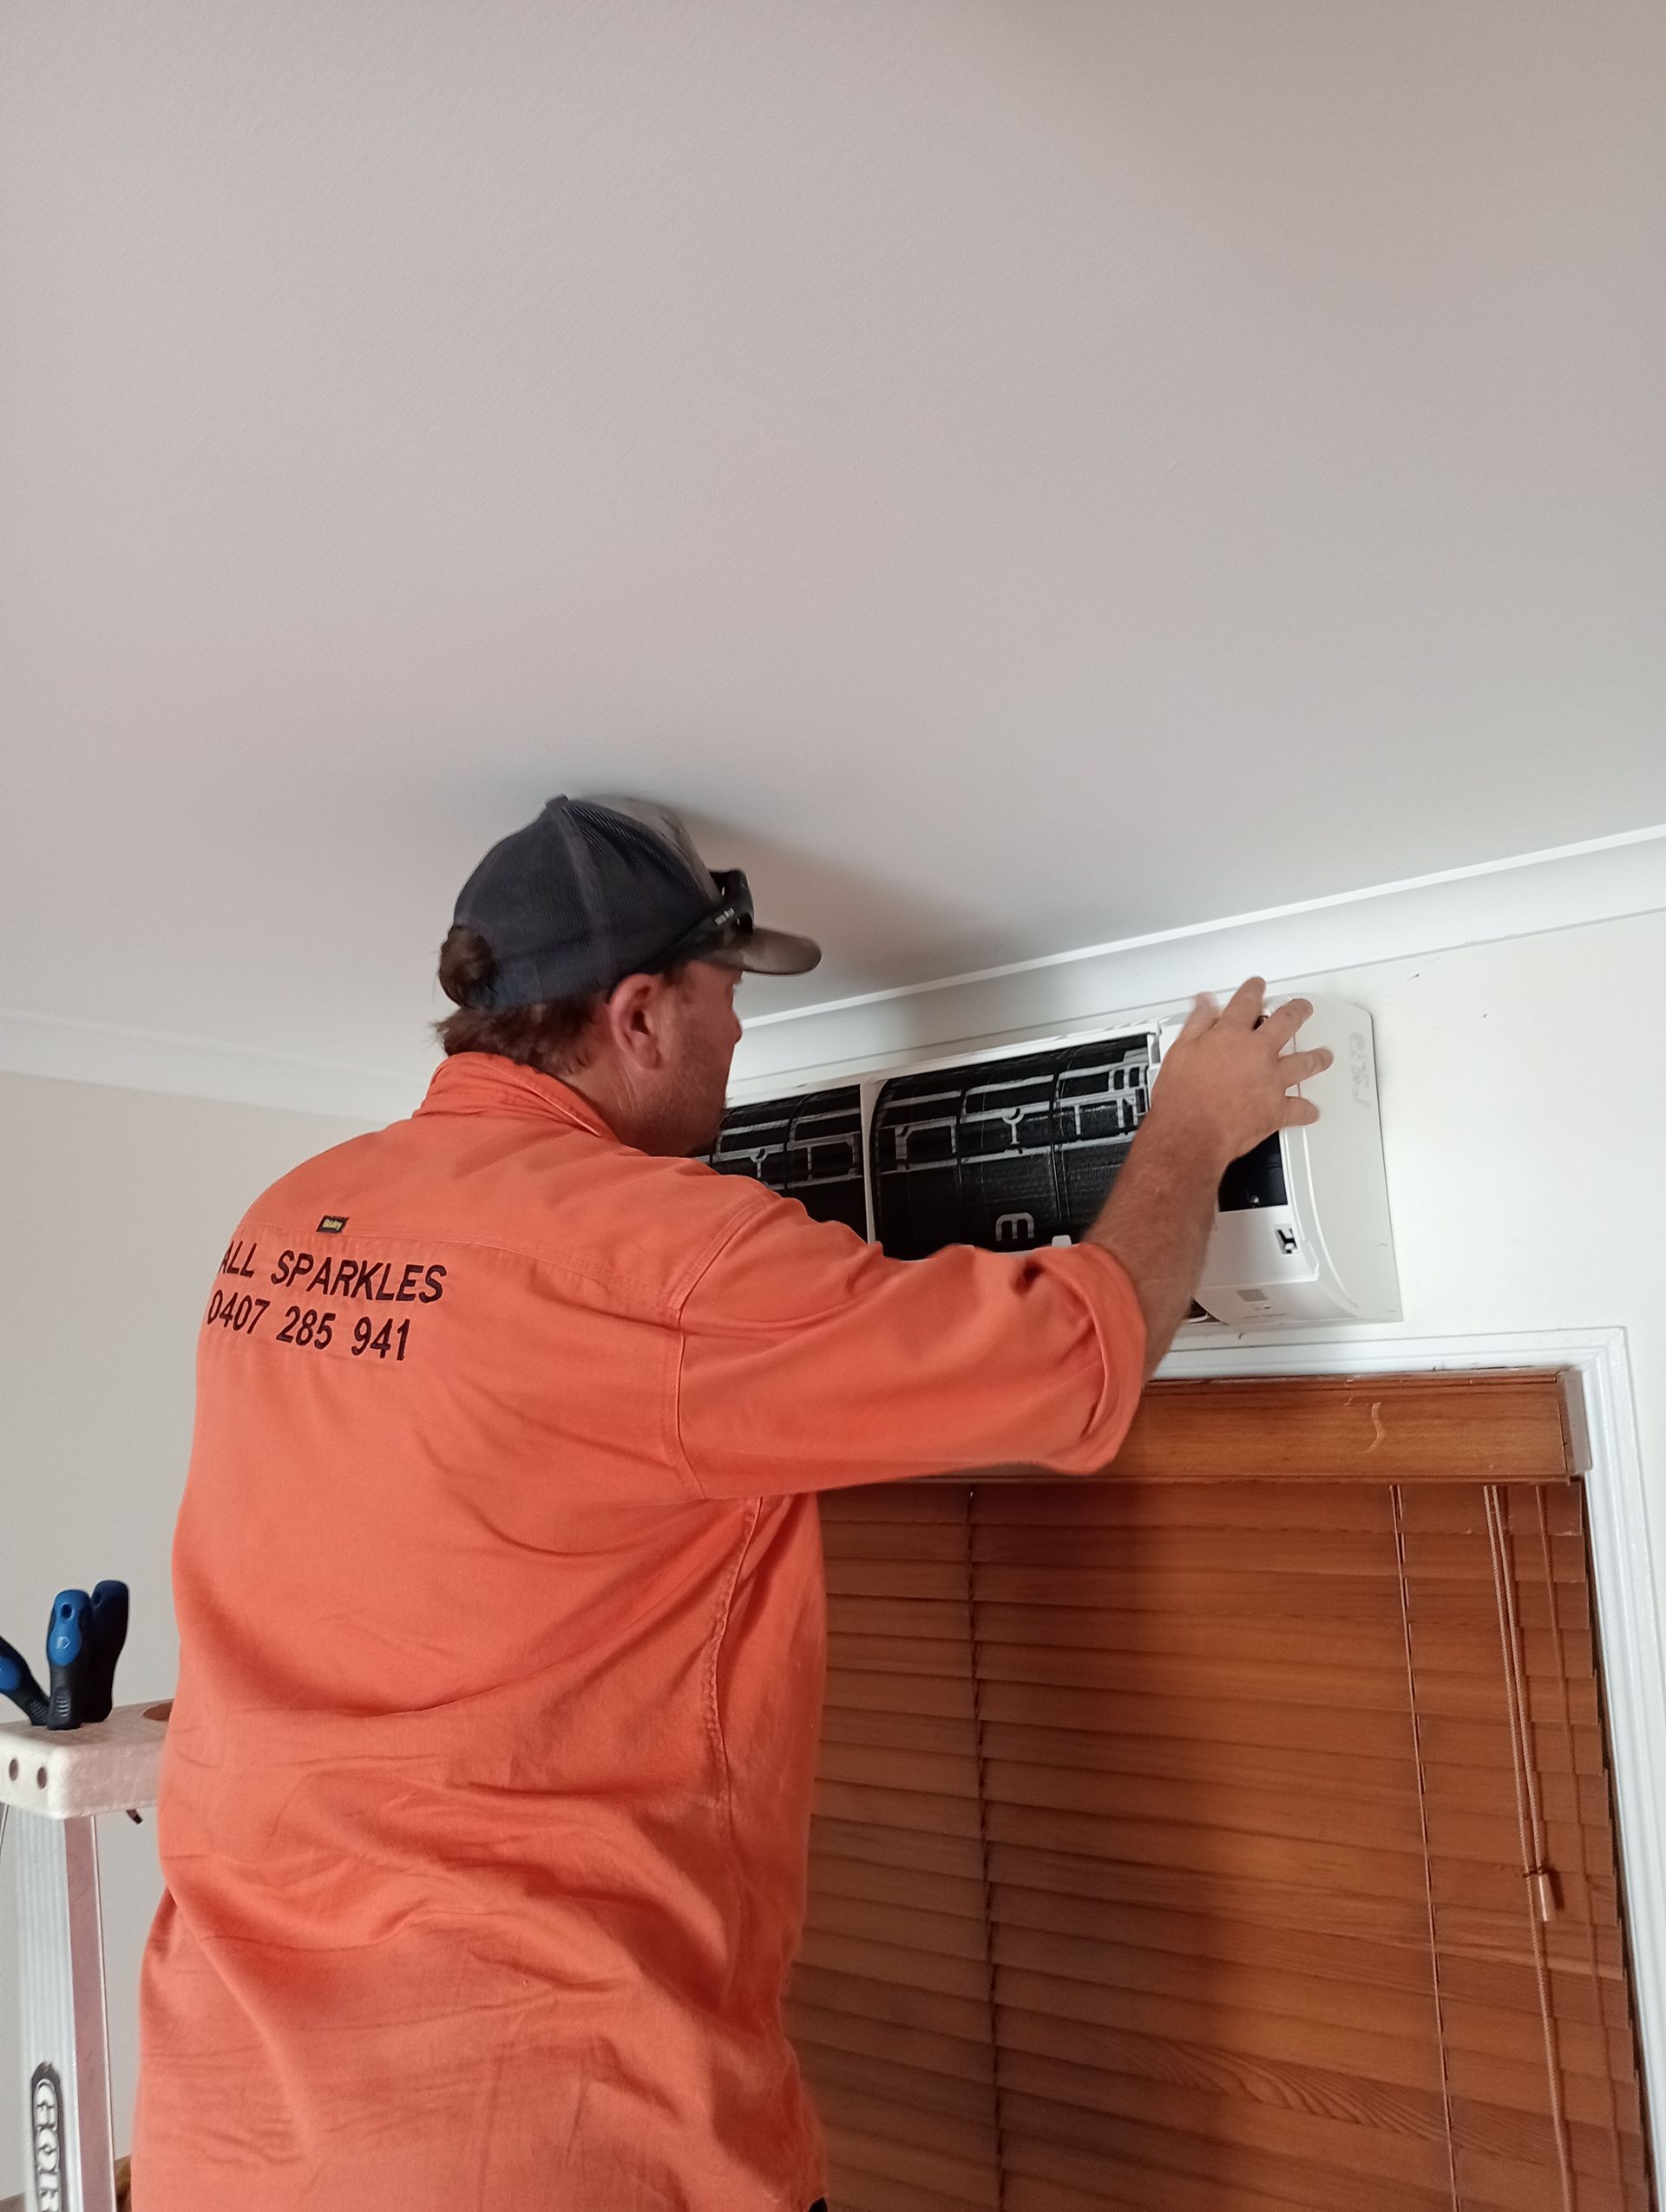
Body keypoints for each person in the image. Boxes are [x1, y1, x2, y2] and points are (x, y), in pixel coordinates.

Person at [133, 795, 1330, 2212]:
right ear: (639, 1015)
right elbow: (1073, 1361)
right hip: (544, 2136)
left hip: (228, 2131)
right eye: (725, 996)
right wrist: (1192, 1129)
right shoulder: (660, 1260)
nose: (743, 1035)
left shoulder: (287, 1221)